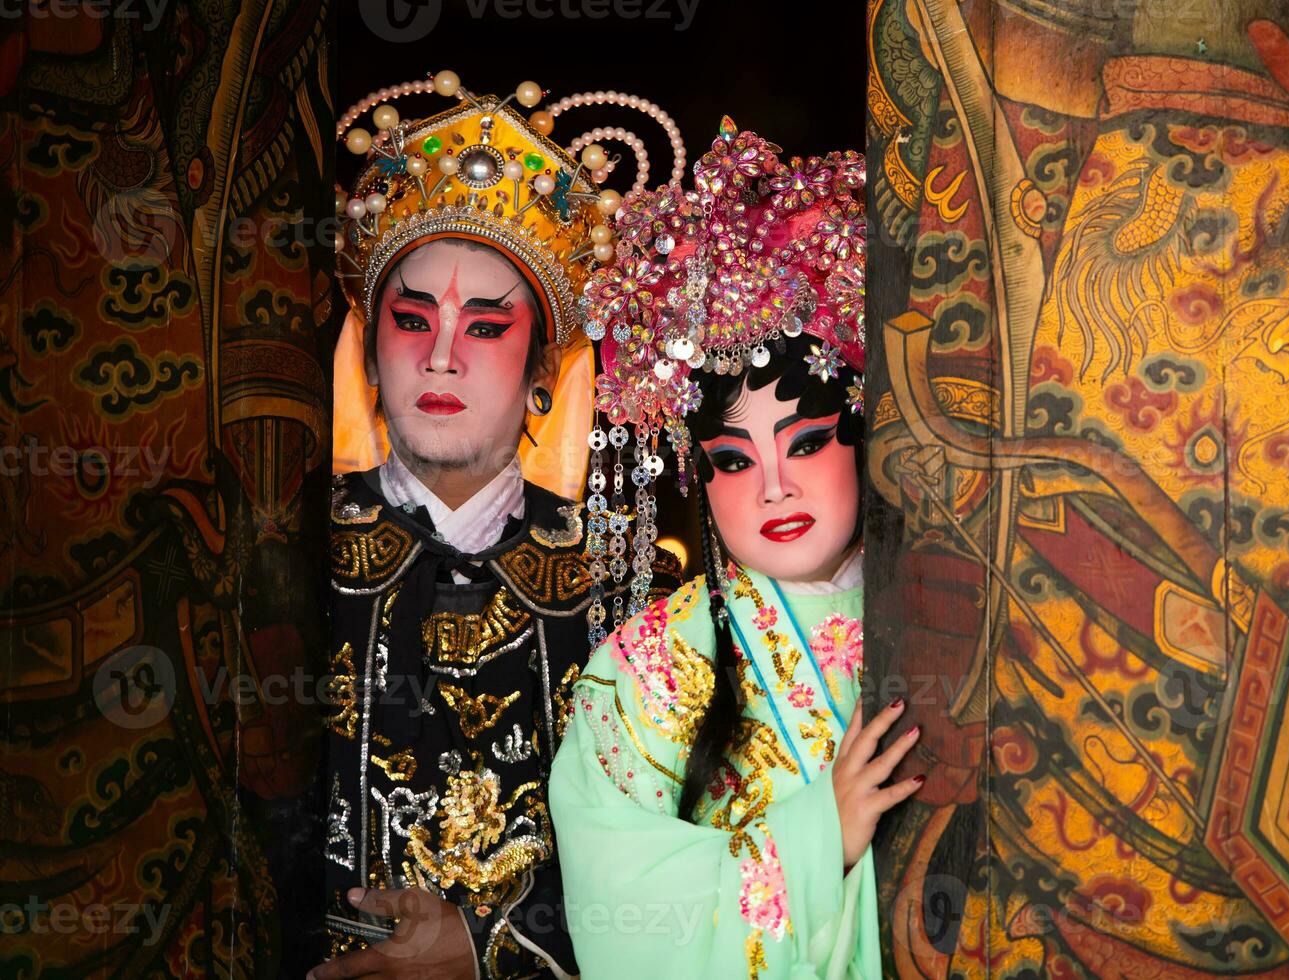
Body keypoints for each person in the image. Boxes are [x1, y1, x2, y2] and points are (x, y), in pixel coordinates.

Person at [316, 72, 680, 979]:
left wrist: (490, 943)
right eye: (411, 320)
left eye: (484, 328)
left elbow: (686, 856)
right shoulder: (281, 561)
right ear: (367, 350)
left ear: (543, 368)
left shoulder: (635, 590)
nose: (440, 356)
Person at [549, 122, 913, 978]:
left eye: (810, 442)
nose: (774, 486)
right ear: (694, 474)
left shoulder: (957, 605)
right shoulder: (647, 669)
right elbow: (620, 921)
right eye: (733, 459)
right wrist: (823, 832)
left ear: (865, 436)